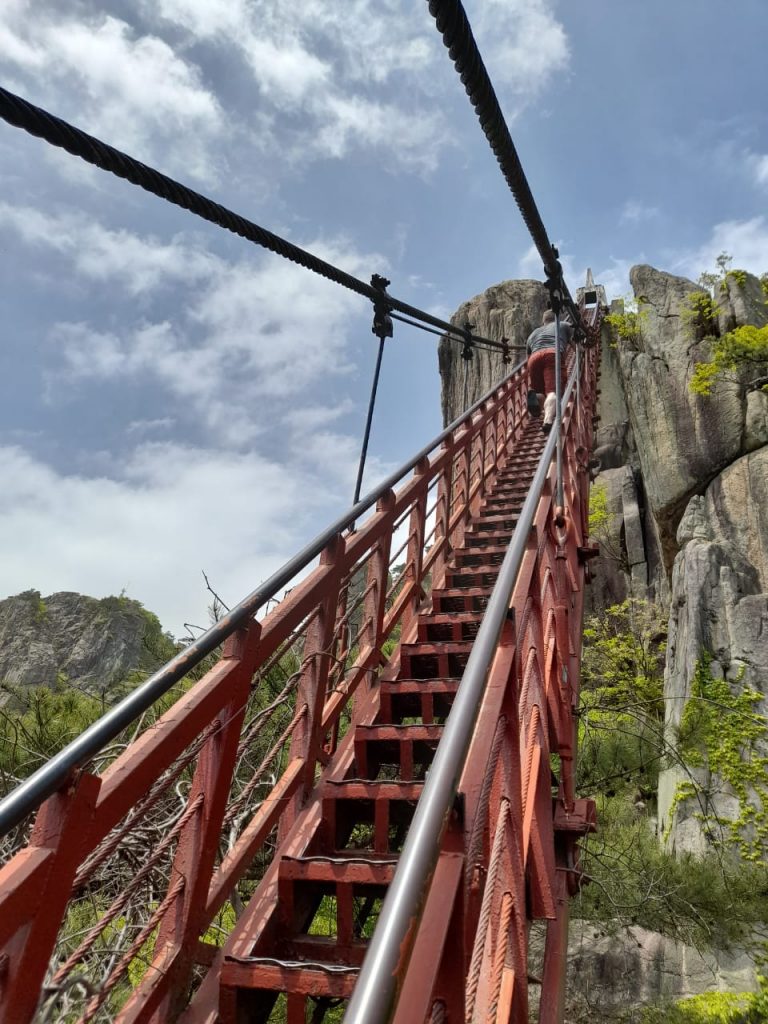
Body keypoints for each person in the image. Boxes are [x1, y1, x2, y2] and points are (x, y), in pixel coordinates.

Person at [525, 309, 573, 434]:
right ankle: (548, 420)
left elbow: (528, 357)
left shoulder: (533, 333)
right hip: (552, 354)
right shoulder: (563, 325)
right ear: (556, 317)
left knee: (541, 391)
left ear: (543, 321)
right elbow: (576, 343)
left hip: (534, 359)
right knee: (553, 391)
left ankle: (536, 396)